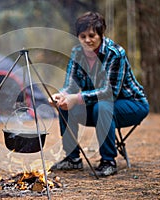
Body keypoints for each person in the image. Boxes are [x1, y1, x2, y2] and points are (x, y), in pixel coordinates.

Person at [48, 11, 149, 177]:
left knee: (102, 107)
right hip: (97, 104)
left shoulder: (115, 53)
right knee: (65, 106)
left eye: (92, 35)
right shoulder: (77, 53)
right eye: (82, 36)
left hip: (132, 104)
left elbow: (110, 93)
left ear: (101, 34)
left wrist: (77, 98)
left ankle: (108, 161)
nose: (87, 40)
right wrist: (60, 96)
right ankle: (72, 159)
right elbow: (70, 86)